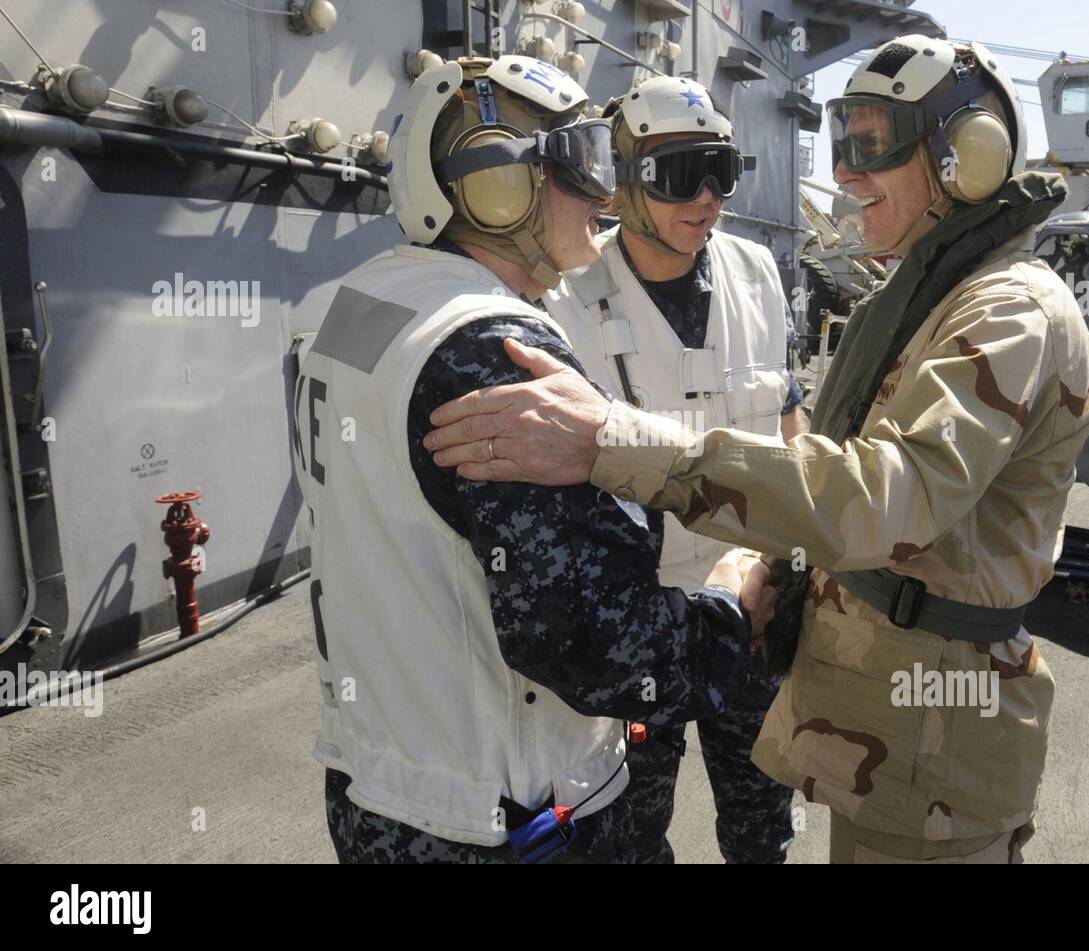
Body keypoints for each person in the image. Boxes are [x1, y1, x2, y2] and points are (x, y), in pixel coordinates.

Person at [421, 36, 1089, 864]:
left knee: (760, 836)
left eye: (871, 148)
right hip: (712, 645)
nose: (847, 175)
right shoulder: (927, 296)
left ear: (969, 155)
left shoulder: (1003, 312)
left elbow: (882, 497)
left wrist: (614, 440)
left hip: (925, 730)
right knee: (634, 833)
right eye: (842, 144)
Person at [293, 54, 773, 864]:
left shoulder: (351, 307)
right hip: (513, 814)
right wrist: (731, 612)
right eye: (581, 164)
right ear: (494, 185)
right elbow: (589, 641)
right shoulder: (489, 347)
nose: (601, 194)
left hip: (378, 792)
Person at [541, 75, 797, 864]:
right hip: (642, 629)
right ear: (626, 180)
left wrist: (783, 572)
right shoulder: (565, 297)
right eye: (682, 174)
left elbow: (789, 420)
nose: (708, 197)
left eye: (722, 170)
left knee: (763, 830)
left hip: (750, 609)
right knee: (631, 837)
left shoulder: (757, 275)